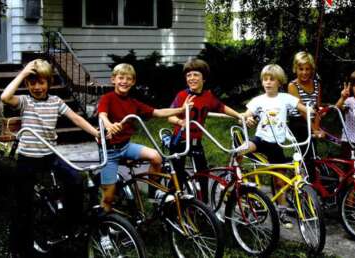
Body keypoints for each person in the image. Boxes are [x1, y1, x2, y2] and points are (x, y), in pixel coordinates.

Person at [0, 59, 100, 258]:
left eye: (41, 82)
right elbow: (5, 97)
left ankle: (70, 226)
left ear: (49, 82)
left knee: (76, 179)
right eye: (32, 82)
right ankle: (19, 248)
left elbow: (76, 118)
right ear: (27, 84)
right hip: (28, 158)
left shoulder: (56, 101)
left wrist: (95, 132)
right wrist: (22, 74)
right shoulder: (24, 102)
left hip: (50, 155)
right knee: (23, 205)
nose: (37, 87)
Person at [97, 63, 194, 212]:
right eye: (121, 78)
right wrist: (109, 124)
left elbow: (157, 112)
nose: (124, 81)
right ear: (113, 80)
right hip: (109, 152)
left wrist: (181, 109)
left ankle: (152, 192)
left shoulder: (133, 103)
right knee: (108, 198)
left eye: (128, 79)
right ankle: (105, 228)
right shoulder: (107, 98)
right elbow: (102, 114)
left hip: (126, 146)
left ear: (133, 82)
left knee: (156, 158)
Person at [242, 64, 311, 229]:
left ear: (279, 82)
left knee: (280, 181)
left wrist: (312, 111)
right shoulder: (258, 100)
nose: (268, 82)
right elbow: (245, 115)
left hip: (276, 144)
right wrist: (247, 119)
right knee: (240, 149)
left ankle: (282, 210)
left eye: (272, 79)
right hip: (260, 139)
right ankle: (237, 179)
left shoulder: (286, 98)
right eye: (265, 79)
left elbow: (304, 109)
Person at [167, 58, 242, 204]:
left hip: (196, 141)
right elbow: (170, 116)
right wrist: (180, 121)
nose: (192, 78)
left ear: (204, 78)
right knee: (178, 174)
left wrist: (239, 115)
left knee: (203, 173)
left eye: (196, 75)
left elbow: (222, 107)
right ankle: (173, 202)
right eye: (189, 75)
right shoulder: (182, 96)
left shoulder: (208, 96)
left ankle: (204, 206)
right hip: (180, 140)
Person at [287, 51, 322, 178]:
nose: (304, 72)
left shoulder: (317, 84)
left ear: (312, 69)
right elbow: (302, 111)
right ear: (295, 69)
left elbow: (318, 108)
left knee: (313, 152)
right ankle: (307, 181)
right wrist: (314, 129)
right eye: (301, 69)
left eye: (308, 69)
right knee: (306, 154)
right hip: (299, 121)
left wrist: (316, 128)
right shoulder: (293, 85)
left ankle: (313, 177)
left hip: (312, 120)